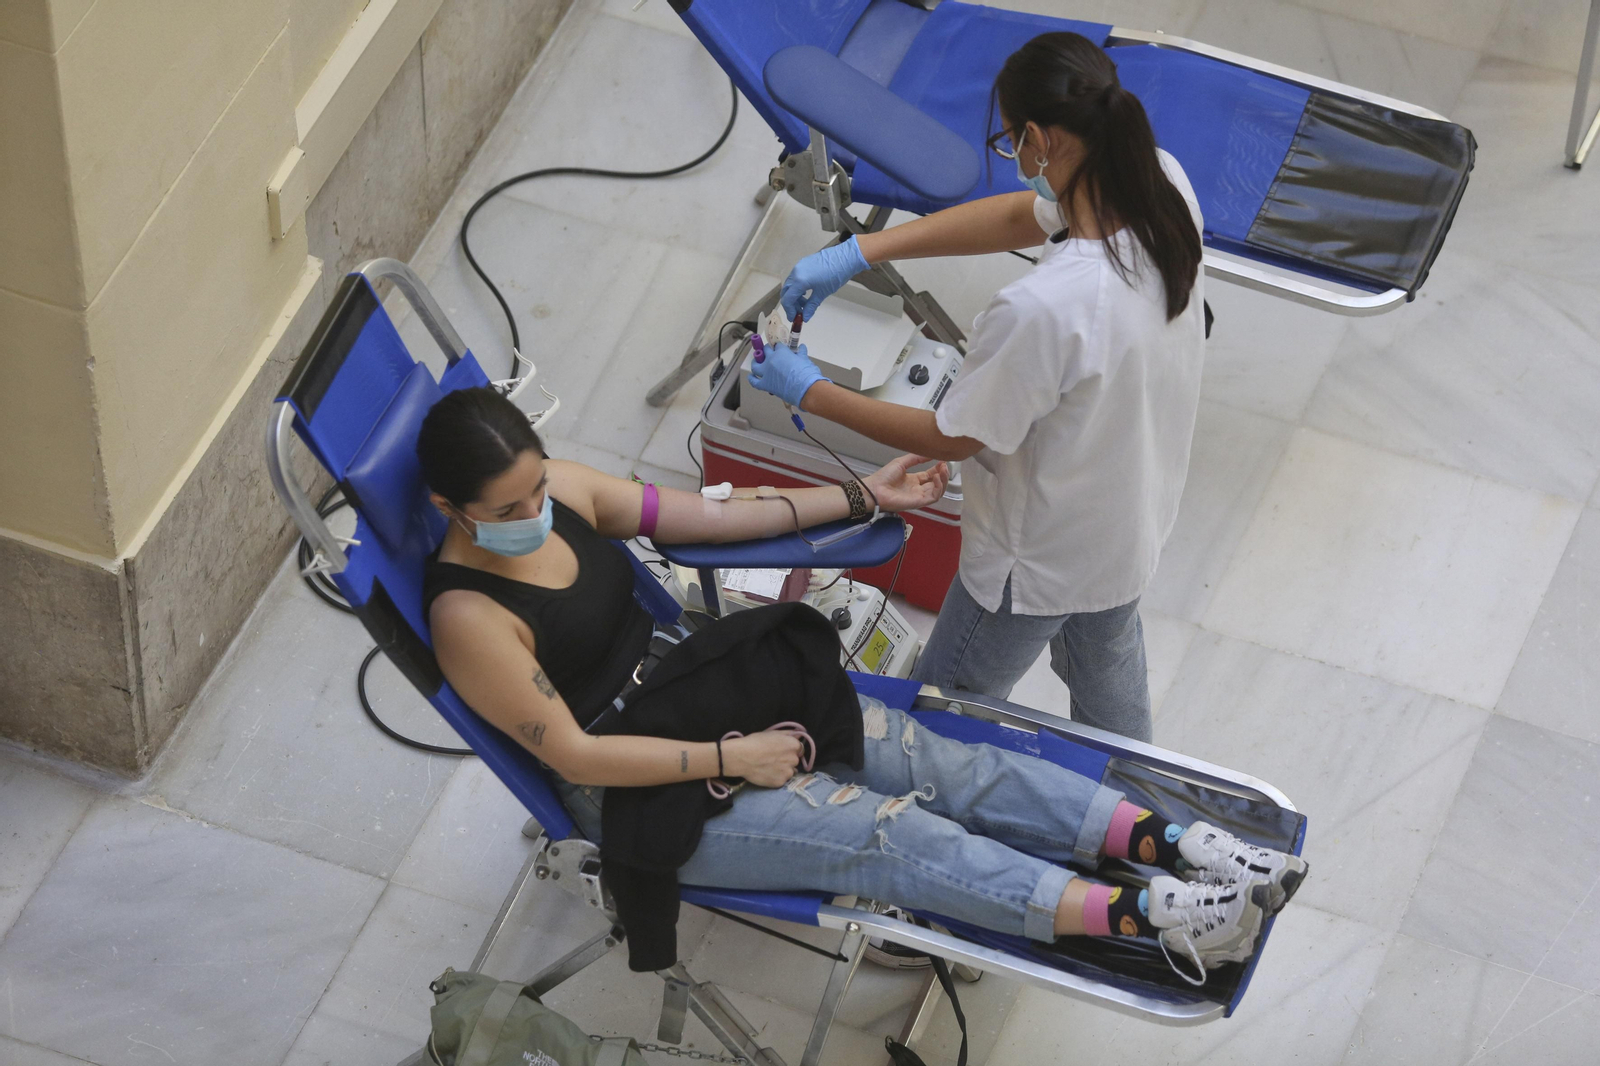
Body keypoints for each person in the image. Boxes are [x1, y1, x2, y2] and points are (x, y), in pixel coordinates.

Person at [417, 387, 1305, 983]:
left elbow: (707, 518)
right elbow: (578, 756)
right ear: (448, 510)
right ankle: (1158, 916)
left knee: (937, 760)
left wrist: (860, 495)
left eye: (538, 487)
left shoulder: (566, 494)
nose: (535, 514)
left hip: (698, 690)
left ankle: (1183, 845)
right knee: (887, 836)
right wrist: (733, 758)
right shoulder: (470, 619)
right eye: (509, 510)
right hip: (639, 790)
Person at [747, 32, 1206, 743]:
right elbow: (1023, 215)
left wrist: (808, 390)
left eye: (1009, 141)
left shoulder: (1045, 308)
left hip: (1035, 558)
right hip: (1123, 525)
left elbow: (953, 435)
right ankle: (1133, 796)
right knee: (1110, 696)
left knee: (939, 712)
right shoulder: (1159, 183)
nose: (1013, 158)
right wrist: (863, 249)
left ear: (1039, 141)